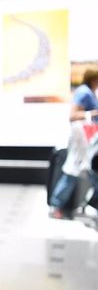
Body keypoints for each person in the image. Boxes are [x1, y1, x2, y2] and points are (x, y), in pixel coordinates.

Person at [49, 69, 98, 218]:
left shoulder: (86, 91)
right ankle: (56, 204)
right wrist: (94, 113)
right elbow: (73, 115)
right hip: (83, 141)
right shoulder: (84, 92)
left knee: (88, 172)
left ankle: (87, 204)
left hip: (87, 140)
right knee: (75, 171)